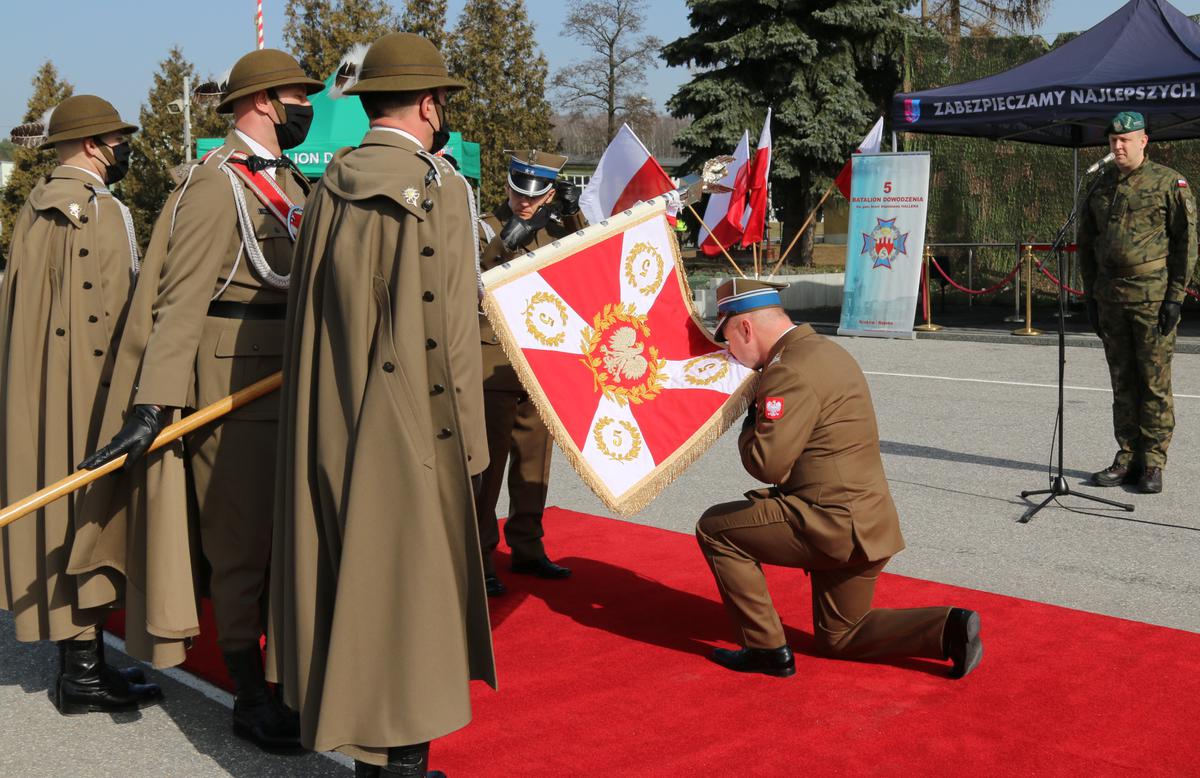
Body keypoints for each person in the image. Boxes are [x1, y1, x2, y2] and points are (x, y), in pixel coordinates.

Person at [77, 49, 323, 750]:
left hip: (292, 377)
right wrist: (153, 405)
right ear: (263, 102)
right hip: (235, 387)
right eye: (295, 96)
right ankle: (250, 695)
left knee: (290, 542)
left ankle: (290, 676)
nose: (304, 106)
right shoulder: (218, 186)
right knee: (243, 546)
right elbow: (180, 303)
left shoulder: (292, 183)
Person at [266, 32, 495, 778]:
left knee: (355, 580)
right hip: (416, 422)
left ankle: (371, 749)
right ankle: (399, 760)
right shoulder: (440, 186)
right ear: (430, 104)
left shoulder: (331, 182)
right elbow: (453, 328)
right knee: (417, 595)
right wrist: (471, 446)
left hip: (335, 411)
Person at [694, 279, 983, 680]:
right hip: (869, 522)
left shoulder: (786, 371)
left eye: (727, 338)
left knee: (715, 528)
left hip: (831, 523)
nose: (729, 352)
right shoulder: (825, 350)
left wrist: (746, 416)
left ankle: (766, 649)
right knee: (840, 636)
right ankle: (947, 628)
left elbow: (767, 464)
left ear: (746, 327)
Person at [0, 95, 162, 714]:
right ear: (96, 145)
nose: (123, 151)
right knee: (88, 519)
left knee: (60, 519)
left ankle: (84, 666)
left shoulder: (35, 210)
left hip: (42, 396)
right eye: (118, 141)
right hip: (90, 398)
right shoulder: (98, 211)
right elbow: (122, 318)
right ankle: (83, 675)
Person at [476, 151, 584, 596]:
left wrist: (573, 213)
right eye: (519, 192)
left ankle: (528, 548)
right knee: (486, 469)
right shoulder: (482, 222)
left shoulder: (558, 226)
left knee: (533, 464)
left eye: (535, 196)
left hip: (541, 360)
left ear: (550, 193)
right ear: (507, 186)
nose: (525, 203)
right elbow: (469, 272)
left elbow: (584, 259)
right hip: (492, 359)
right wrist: (506, 239)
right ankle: (479, 558)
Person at [1078, 111, 1197, 495]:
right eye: (1113, 139)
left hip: (1152, 296)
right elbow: (1086, 245)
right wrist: (1090, 294)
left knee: (1154, 381)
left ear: (1144, 141)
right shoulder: (1099, 185)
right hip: (1111, 297)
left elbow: (1186, 242)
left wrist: (1175, 297)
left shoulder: (1168, 182)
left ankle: (1154, 462)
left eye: (1126, 139)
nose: (1118, 146)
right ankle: (1127, 455)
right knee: (1122, 381)